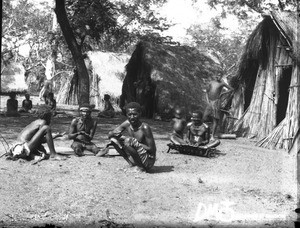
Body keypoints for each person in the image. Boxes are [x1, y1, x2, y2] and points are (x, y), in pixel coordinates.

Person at [107, 102, 156, 172]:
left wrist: (134, 142)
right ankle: (131, 164)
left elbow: (151, 149)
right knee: (113, 140)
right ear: (126, 115)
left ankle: (140, 168)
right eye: (129, 114)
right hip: (136, 156)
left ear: (140, 114)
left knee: (128, 141)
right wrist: (122, 138)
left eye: (135, 114)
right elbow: (111, 134)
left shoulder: (145, 127)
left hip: (147, 160)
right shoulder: (127, 124)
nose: (132, 117)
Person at [203, 74, 233, 140]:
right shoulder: (211, 82)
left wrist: (222, 94)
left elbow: (231, 89)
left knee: (215, 119)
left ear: (221, 76)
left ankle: (212, 136)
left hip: (217, 102)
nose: (217, 77)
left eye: (219, 76)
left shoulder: (222, 83)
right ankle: (204, 133)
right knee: (204, 117)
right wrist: (208, 101)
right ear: (215, 76)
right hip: (210, 102)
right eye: (217, 75)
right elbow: (206, 92)